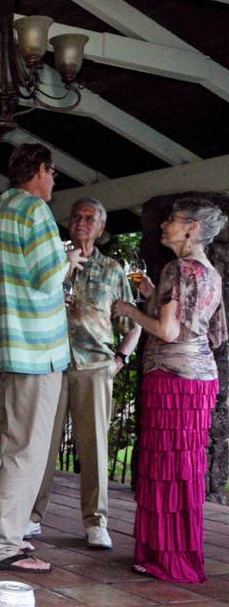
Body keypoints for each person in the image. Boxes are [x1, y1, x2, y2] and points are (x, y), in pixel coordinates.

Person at [0, 143, 84, 573]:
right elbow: (45, 276)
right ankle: (3, 544)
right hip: (36, 350)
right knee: (27, 451)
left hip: (2, 349)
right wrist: (68, 258)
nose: (54, 180)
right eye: (52, 172)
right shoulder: (34, 212)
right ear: (38, 170)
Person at [112, 198, 228, 584]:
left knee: (167, 466)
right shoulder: (209, 272)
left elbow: (167, 331)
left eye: (173, 220)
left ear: (192, 228)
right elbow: (210, 331)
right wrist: (152, 295)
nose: (164, 225)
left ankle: (168, 557)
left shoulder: (179, 268)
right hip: (199, 380)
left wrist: (130, 311)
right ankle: (169, 552)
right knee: (183, 469)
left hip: (173, 378)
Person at [30, 198, 142, 550]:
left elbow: (132, 321)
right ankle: (32, 515)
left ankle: (96, 521)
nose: (81, 222)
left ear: (101, 228)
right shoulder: (54, 260)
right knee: (41, 446)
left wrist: (120, 359)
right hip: (52, 363)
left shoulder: (112, 269)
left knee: (94, 446)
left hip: (94, 366)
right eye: (76, 216)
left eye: (89, 218)